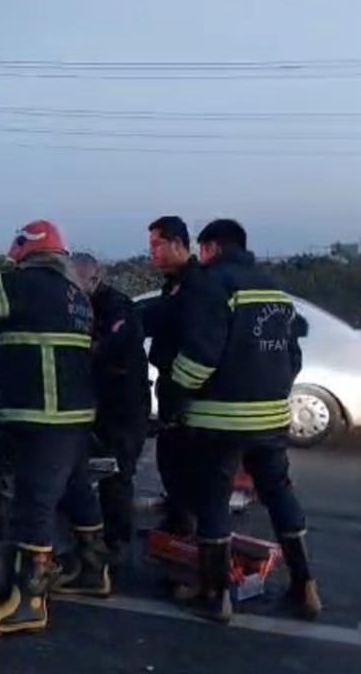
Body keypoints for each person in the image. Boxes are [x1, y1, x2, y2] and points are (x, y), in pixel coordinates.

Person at [0, 220, 107, 635]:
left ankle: (29, 603)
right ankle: (94, 571)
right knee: (77, 493)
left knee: (33, 505)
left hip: (43, 415)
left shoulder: (28, 284)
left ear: (25, 252)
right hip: (74, 415)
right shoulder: (76, 295)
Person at [172, 219, 319, 624]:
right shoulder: (273, 288)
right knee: (278, 493)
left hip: (219, 419)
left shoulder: (212, 283)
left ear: (212, 247)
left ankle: (216, 596)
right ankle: (305, 587)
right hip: (271, 417)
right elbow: (292, 356)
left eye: (202, 251)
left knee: (214, 499)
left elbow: (202, 353)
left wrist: (174, 390)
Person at [71, 252, 150, 564]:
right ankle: (96, 533)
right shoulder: (79, 303)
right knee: (90, 470)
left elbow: (114, 346)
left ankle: (117, 543)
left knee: (117, 473)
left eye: (79, 282)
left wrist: (85, 351)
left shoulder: (117, 306)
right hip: (97, 402)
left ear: (94, 278)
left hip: (124, 404)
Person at [141, 216, 203, 537]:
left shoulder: (196, 285)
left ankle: (186, 528)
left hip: (187, 390)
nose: (151, 252)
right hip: (173, 384)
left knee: (184, 461)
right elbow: (157, 318)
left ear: (177, 244)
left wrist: (181, 396)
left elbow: (196, 342)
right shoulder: (175, 284)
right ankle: (178, 519)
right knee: (170, 458)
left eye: (156, 245)